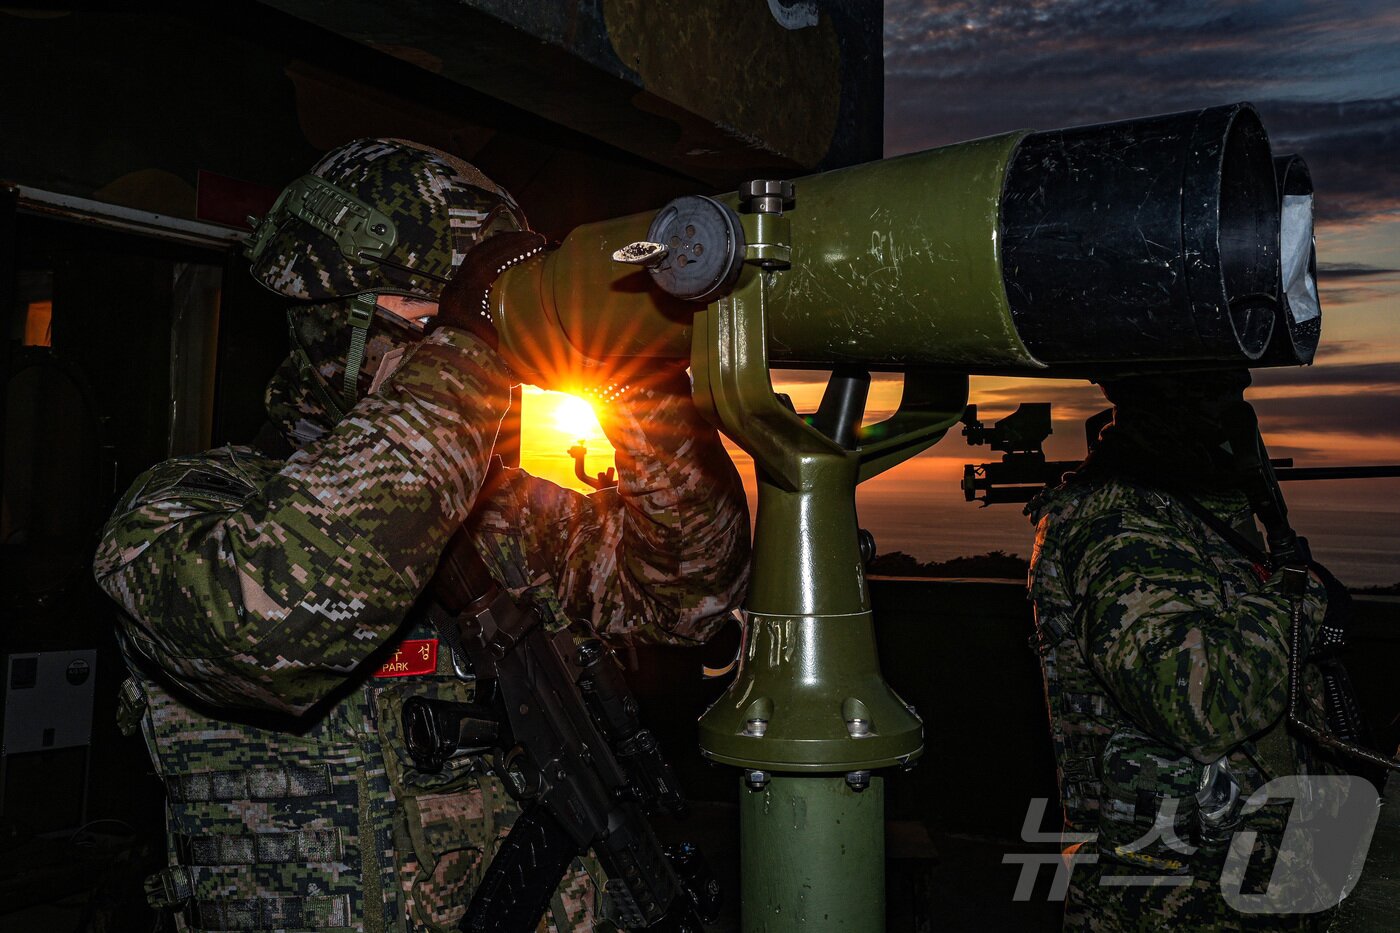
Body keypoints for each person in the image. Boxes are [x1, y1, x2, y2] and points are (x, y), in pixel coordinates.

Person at [93, 138, 751, 933]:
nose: (488, 348)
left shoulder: (510, 524)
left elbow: (690, 596)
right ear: (335, 320)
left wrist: (644, 390)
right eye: (434, 312)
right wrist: (466, 349)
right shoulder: (179, 516)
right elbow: (280, 622)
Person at [1027, 369, 1354, 932]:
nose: (1235, 411)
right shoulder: (1119, 518)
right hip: (1173, 903)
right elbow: (1196, 704)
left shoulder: (1193, 510)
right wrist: (1306, 599)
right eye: (1218, 391)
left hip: (1256, 886)